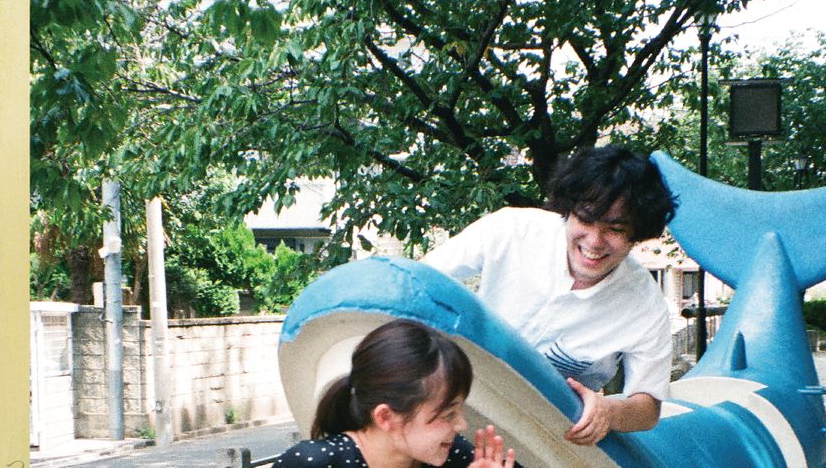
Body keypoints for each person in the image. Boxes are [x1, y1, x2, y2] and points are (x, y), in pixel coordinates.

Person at [420, 145, 677, 446]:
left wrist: (609, 412)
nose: (595, 241)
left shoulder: (646, 305)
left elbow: (648, 407)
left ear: (638, 232)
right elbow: (419, 280)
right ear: (567, 211)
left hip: (543, 437)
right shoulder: (510, 230)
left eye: (615, 229)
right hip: (454, 400)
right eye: (585, 219)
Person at [272, 319, 517, 468]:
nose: (462, 425)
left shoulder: (458, 456)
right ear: (385, 417)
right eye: (448, 414)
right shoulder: (313, 462)